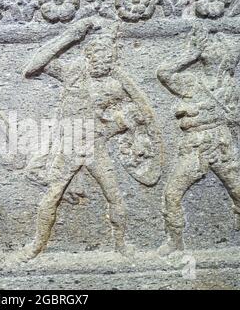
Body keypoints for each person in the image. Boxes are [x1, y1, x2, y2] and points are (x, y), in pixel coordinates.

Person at [21, 19, 159, 259]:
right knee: (53, 194)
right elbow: (33, 67)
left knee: (114, 195)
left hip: (95, 148)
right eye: (99, 56)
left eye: (109, 58)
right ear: (88, 55)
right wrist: (70, 36)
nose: (104, 62)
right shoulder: (73, 72)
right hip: (68, 147)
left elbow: (136, 117)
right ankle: (37, 246)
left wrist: (111, 129)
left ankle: (122, 245)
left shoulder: (114, 86)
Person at [157, 24, 240, 255]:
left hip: (221, 145)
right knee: (172, 194)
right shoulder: (193, 82)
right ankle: (175, 241)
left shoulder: (231, 88)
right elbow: (164, 73)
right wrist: (190, 54)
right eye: (208, 46)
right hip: (194, 146)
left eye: (216, 47)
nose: (210, 49)